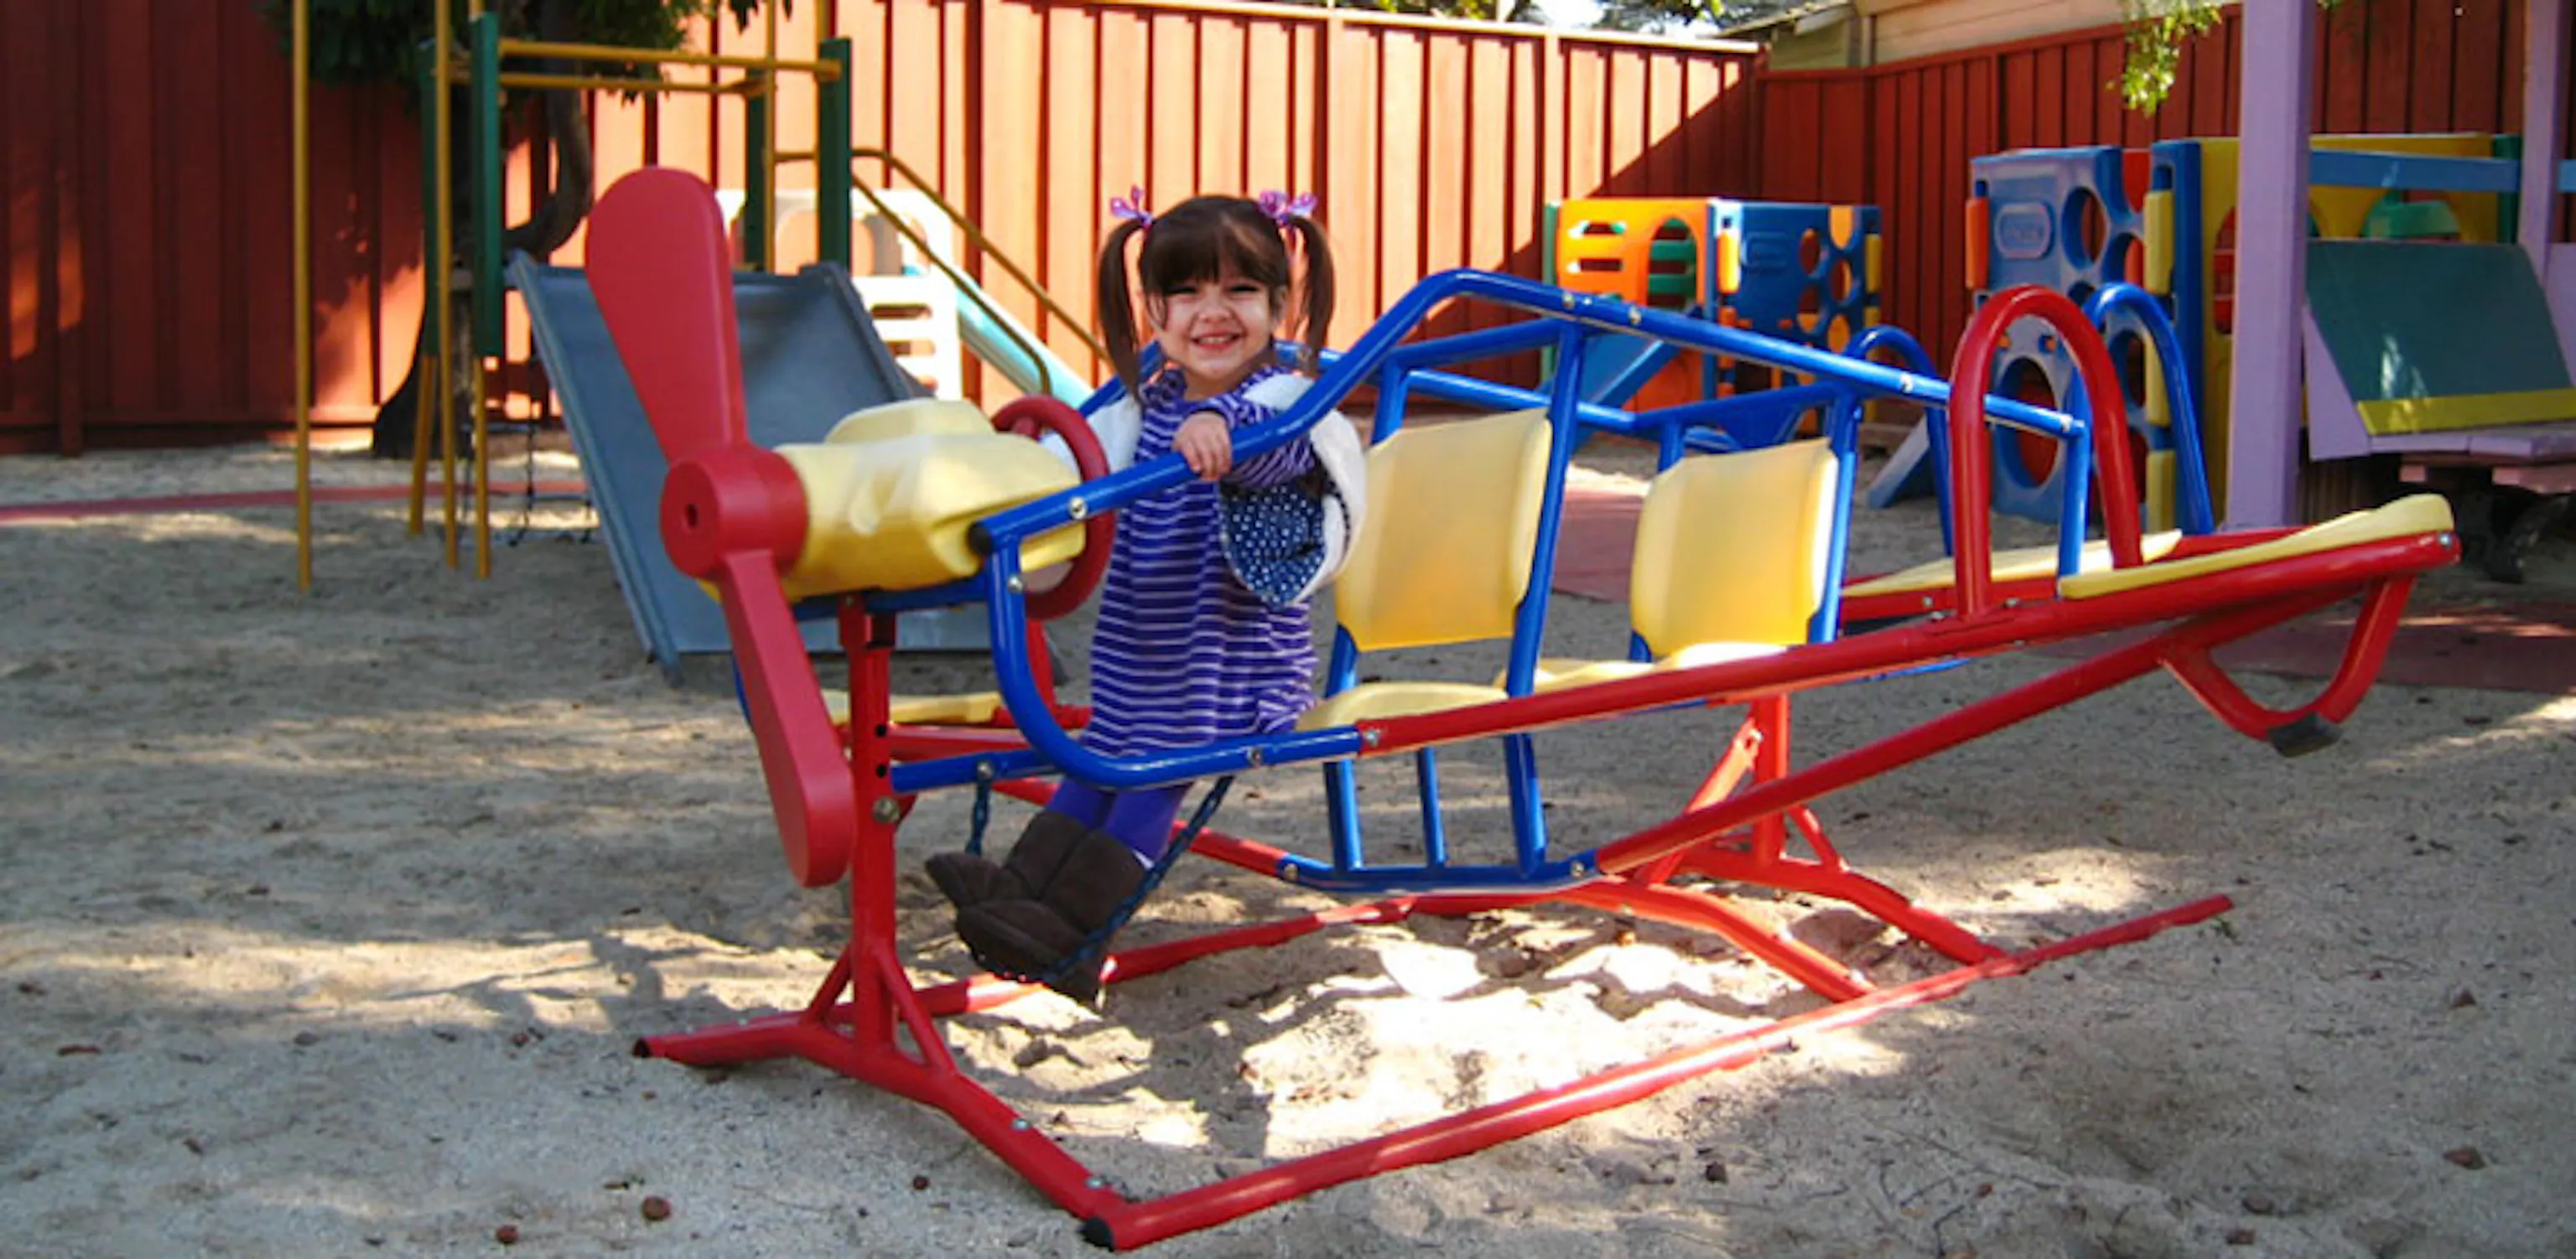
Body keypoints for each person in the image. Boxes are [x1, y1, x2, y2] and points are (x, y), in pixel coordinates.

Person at [927, 189, 1359, 1004]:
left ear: (1278, 304)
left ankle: (1078, 935)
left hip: (1228, 658)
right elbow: (1077, 461)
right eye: (1186, 293)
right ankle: (1020, 892)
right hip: (1144, 641)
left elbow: (1289, 453)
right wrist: (1020, 472)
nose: (1212, 312)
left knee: (1152, 777)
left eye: (1239, 291)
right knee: (1096, 764)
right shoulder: (1147, 403)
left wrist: (1226, 435)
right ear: (1154, 309)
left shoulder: (1282, 400)